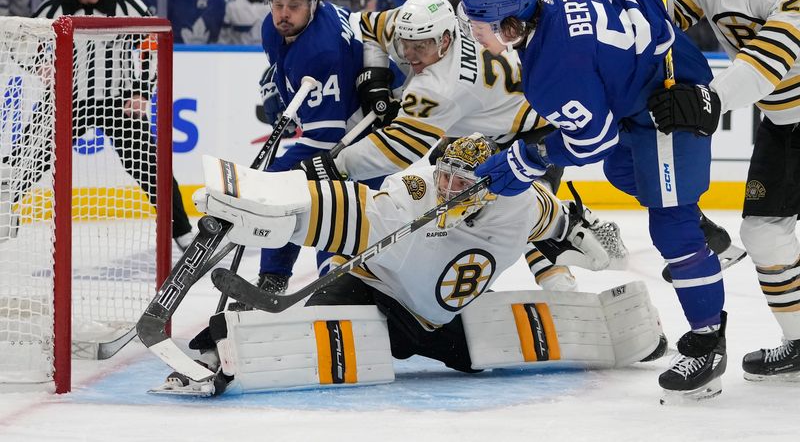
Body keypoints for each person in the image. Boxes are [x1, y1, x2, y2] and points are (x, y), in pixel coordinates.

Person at [169, 134, 663, 395]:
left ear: (487, 180)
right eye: (443, 175)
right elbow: (350, 214)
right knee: (322, 325)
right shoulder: (413, 191)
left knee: (477, 359)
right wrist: (277, 216)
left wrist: (593, 243)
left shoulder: (522, 202)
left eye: (458, 180)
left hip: (439, 317)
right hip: (375, 289)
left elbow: (565, 222)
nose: (446, 188)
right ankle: (215, 346)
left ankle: (639, 337)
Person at [459, 0, 727, 401]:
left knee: (671, 226)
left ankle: (708, 338)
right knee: (622, 171)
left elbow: (592, 142)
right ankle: (697, 226)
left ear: (511, 25)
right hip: (651, 75)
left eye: (481, 24)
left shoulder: (552, 74)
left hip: (667, 101)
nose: (474, 33)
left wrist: (527, 159)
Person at [299, 0, 581, 291]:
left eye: (421, 47)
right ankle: (456, 278)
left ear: (446, 39)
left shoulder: (442, 87)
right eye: (406, 44)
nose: (411, 55)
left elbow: (396, 150)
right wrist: (375, 75)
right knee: (453, 201)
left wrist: (335, 165)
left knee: (520, 207)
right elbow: (368, 27)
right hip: (477, 126)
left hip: (534, 130)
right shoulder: (412, 26)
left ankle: (557, 279)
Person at [632, 0, 800, 383]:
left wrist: (711, 102)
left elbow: (771, 61)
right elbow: (661, 28)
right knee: (765, 235)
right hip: (783, 123)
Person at [10, 0, 194, 249]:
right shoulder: (53, 7)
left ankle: (182, 231)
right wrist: (40, 64)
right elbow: (19, 40)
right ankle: (4, 210)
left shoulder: (127, 3)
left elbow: (155, 43)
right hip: (68, 100)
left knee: (150, 165)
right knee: (26, 156)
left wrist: (140, 91)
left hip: (119, 101)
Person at [252, 0, 367, 295]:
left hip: (368, 134)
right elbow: (285, 70)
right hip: (346, 121)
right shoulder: (273, 28)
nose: (283, 13)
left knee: (324, 198)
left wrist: (285, 176)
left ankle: (333, 285)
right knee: (290, 185)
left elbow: (328, 140)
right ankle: (276, 276)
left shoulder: (322, 51)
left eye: (295, 5)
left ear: (314, 2)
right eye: (278, 3)